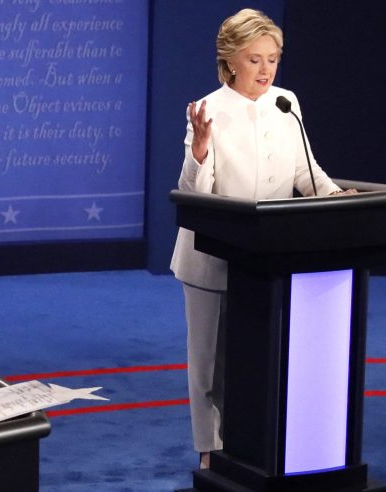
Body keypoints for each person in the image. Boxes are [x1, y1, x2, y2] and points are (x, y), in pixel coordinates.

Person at [170, 8, 353, 470]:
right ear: (230, 61)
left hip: (267, 260)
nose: (266, 70)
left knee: (257, 361)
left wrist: (336, 197)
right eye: (255, 60)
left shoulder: (285, 103)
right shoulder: (207, 110)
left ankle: (254, 447)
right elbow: (196, 194)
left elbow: (304, 172)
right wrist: (199, 152)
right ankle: (210, 454)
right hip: (210, 259)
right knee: (209, 366)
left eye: (273, 58)